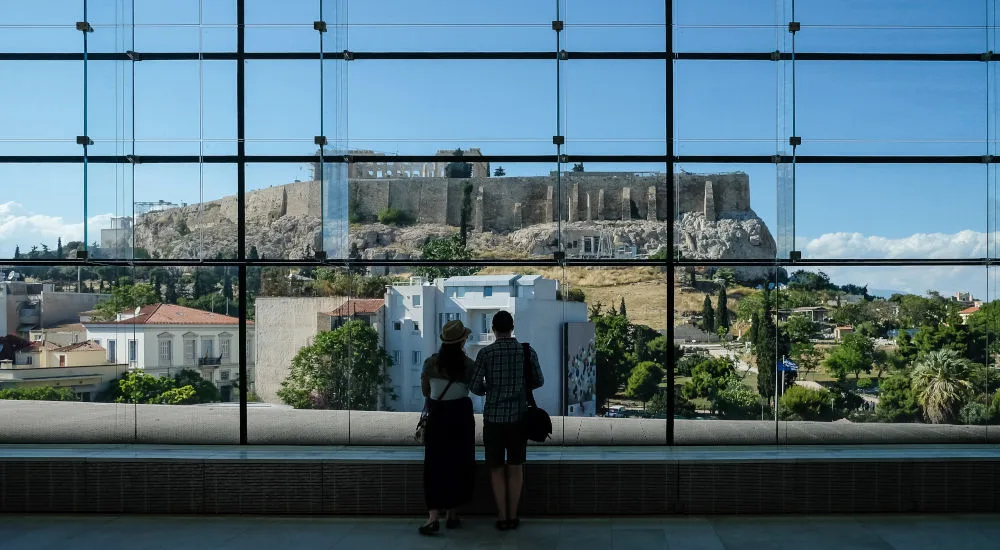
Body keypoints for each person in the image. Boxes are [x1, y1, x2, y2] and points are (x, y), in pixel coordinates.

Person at [470, 310, 543, 531]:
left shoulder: (485, 353)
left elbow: (474, 386)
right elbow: (538, 380)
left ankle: (501, 516)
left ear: (493, 329)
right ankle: (513, 515)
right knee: (515, 466)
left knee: (495, 468)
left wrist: (489, 390)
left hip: (493, 418)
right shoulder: (526, 351)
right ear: (512, 328)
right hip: (518, 418)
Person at [418, 320, 477, 536]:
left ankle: (433, 517)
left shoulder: (430, 363)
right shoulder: (468, 365)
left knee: (434, 465)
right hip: (460, 416)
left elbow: (426, 391)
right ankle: (453, 514)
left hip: (437, 416)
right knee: (459, 463)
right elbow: (476, 388)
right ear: (462, 341)